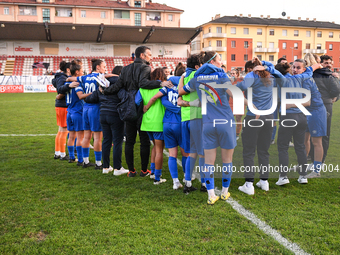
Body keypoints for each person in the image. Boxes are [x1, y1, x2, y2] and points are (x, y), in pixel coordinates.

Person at [103, 46, 172, 177]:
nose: (151, 57)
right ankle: (144, 170)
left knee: (129, 141)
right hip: (140, 107)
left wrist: (105, 91)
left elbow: (117, 86)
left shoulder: (126, 68)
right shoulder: (145, 67)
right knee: (144, 141)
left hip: (128, 107)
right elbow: (143, 83)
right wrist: (161, 84)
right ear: (142, 55)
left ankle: (131, 170)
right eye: (149, 55)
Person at [184, 51, 236, 205]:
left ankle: (211, 195)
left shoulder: (196, 78)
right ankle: (225, 192)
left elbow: (182, 91)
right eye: (220, 59)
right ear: (213, 62)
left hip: (207, 124)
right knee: (227, 160)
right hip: (225, 123)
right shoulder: (221, 75)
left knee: (209, 162)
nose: (221, 62)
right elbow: (234, 93)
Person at [262, 60, 322, 186]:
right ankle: (303, 176)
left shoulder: (281, 81)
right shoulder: (299, 78)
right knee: (300, 146)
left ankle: (283, 177)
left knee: (283, 147)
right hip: (302, 117)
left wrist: (264, 64)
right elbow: (309, 71)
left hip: (288, 116)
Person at [236, 57, 276, 195]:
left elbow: (239, 87)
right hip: (269, 117)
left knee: (249, 151)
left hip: (254, 116)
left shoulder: (252, 75)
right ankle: (264, 181)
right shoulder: (271, 77)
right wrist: (264, 64)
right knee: (264, 151)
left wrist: (250, 73)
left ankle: (249, 184)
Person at [144, 66, 188, 189]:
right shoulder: (185, 87)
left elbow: (162, 101)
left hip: (167, 123)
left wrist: (146, 106)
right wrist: (179, 110)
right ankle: (186, 177)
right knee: (185, 153)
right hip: (180, 122)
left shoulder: (167, 87)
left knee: (172, 154)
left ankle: (175, 182)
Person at [86, 66, 129, 176]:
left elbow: (90, 98)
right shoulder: (120, 84)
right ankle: (117, 168)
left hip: (103, 114)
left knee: (106, 141)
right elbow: (125, 97)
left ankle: (105, 166)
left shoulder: (102, 84)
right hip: (115, 114)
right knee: (117, 142)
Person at [68, 59, 108, 169]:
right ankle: (98, 163)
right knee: (97, 137)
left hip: (85, 108)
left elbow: (72, 78)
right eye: (104, 67)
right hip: (95, 108)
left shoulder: (85, 77)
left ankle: (85, 161)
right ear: (98, 67)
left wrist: (68, 79)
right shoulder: (100, 77)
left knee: (86, 136)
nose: (105, 69)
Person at [178, 53, 206, 194]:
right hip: (197, 116)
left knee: (191, 153)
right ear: (197, 66)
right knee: (202, 153)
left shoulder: (183, 76)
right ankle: (204, 183)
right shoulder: (198, 76)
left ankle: (188, 182)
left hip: (185, 118)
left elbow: (179, 93)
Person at [138, 68, 166, 184]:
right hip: (158, 121)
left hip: (147, 122)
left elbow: (136, 102)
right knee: (159, 149)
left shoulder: (142, 89)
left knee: (155, 147)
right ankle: (157, 178)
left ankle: (153, 171)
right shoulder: (163, 88)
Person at [311, 55, 340, 166]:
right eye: (326, 62)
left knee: (322, 134)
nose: (329, 65)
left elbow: (336, 91)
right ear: (321, 63)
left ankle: (320, 160)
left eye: (330, 63)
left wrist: (333, 97)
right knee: (318, 133)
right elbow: (336, 91)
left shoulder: (329, 75)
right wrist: (331, 98)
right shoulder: (327, 76)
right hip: (324, 105)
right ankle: (317, 159)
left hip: (322, 105)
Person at [58, 60, 84, 165]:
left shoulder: (67, 83)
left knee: (71, 136)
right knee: (80, 136)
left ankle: (71, 157)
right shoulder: (77, 83)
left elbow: (61, 93)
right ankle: (81, 160)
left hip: (69, 112)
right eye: (82, 71)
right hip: (77, 112)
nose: (83, 72)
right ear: (77, 72)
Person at [54, 61, 71, 160]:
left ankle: (58, 152)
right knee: (64, 130)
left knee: (61, 130)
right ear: (68, 69)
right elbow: (61, 89)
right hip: (63, 106)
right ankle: (62, 154)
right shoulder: (63, 77)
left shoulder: (60, 76)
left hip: (60, 106)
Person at [229, 69, 243, 140]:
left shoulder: (241, 80)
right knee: (230, 119)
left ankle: (237, 135)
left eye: (233, 73)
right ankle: (230, 133)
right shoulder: (229, 81)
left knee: (238, 118)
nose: (232, 75)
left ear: (237, 74)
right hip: (230, 102)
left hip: (239, 102)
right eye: (231, 73)